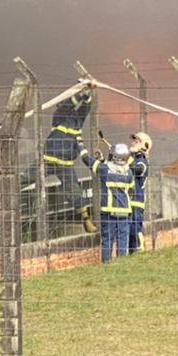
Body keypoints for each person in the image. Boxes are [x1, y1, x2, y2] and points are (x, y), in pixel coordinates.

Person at [42, 82, 97, 233]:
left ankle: (86, 221)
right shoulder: (58, 116)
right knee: (27, 176)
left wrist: (87, 94)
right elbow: (67, 105)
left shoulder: (77, 121)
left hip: (66, 164)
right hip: (48, 160)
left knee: (75, 193)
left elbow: (86, 108)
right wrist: (80, 93)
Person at [81, 141, 134, 262]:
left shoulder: (104, 170)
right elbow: (131, 189)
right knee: (122, 242)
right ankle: (122, 265)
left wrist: (80, 146)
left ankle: (106, 265)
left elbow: (87, 160)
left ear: (114, 157)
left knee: (107, 241)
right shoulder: (129, 173)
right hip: (125, 213)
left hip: (109, 213)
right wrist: (102, 159)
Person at [128, 131, 151, 253]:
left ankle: (139, 248)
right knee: (128, 229)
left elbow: (137, 169)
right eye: (133, 141)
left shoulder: (142, 160)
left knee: (135, 227)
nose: (132, 143)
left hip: (136, 202)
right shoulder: (131, 159)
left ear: (144, 145)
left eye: (136, 141)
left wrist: (125, 157)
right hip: (127, 201)